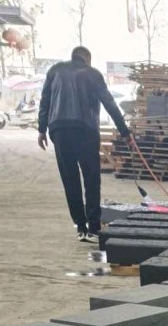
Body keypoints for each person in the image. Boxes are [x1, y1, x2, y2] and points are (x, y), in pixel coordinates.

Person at [37, 47, 130, 241]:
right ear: (87, 59)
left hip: (59, 130)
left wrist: (42, 129)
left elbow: (45, 101)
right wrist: (125, 132)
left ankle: (80, 227)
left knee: (70, 180)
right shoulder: (93, 74)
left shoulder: (55, 71)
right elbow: (109, 103)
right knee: (91, 179)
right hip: (85, 130)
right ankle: (94, 228)